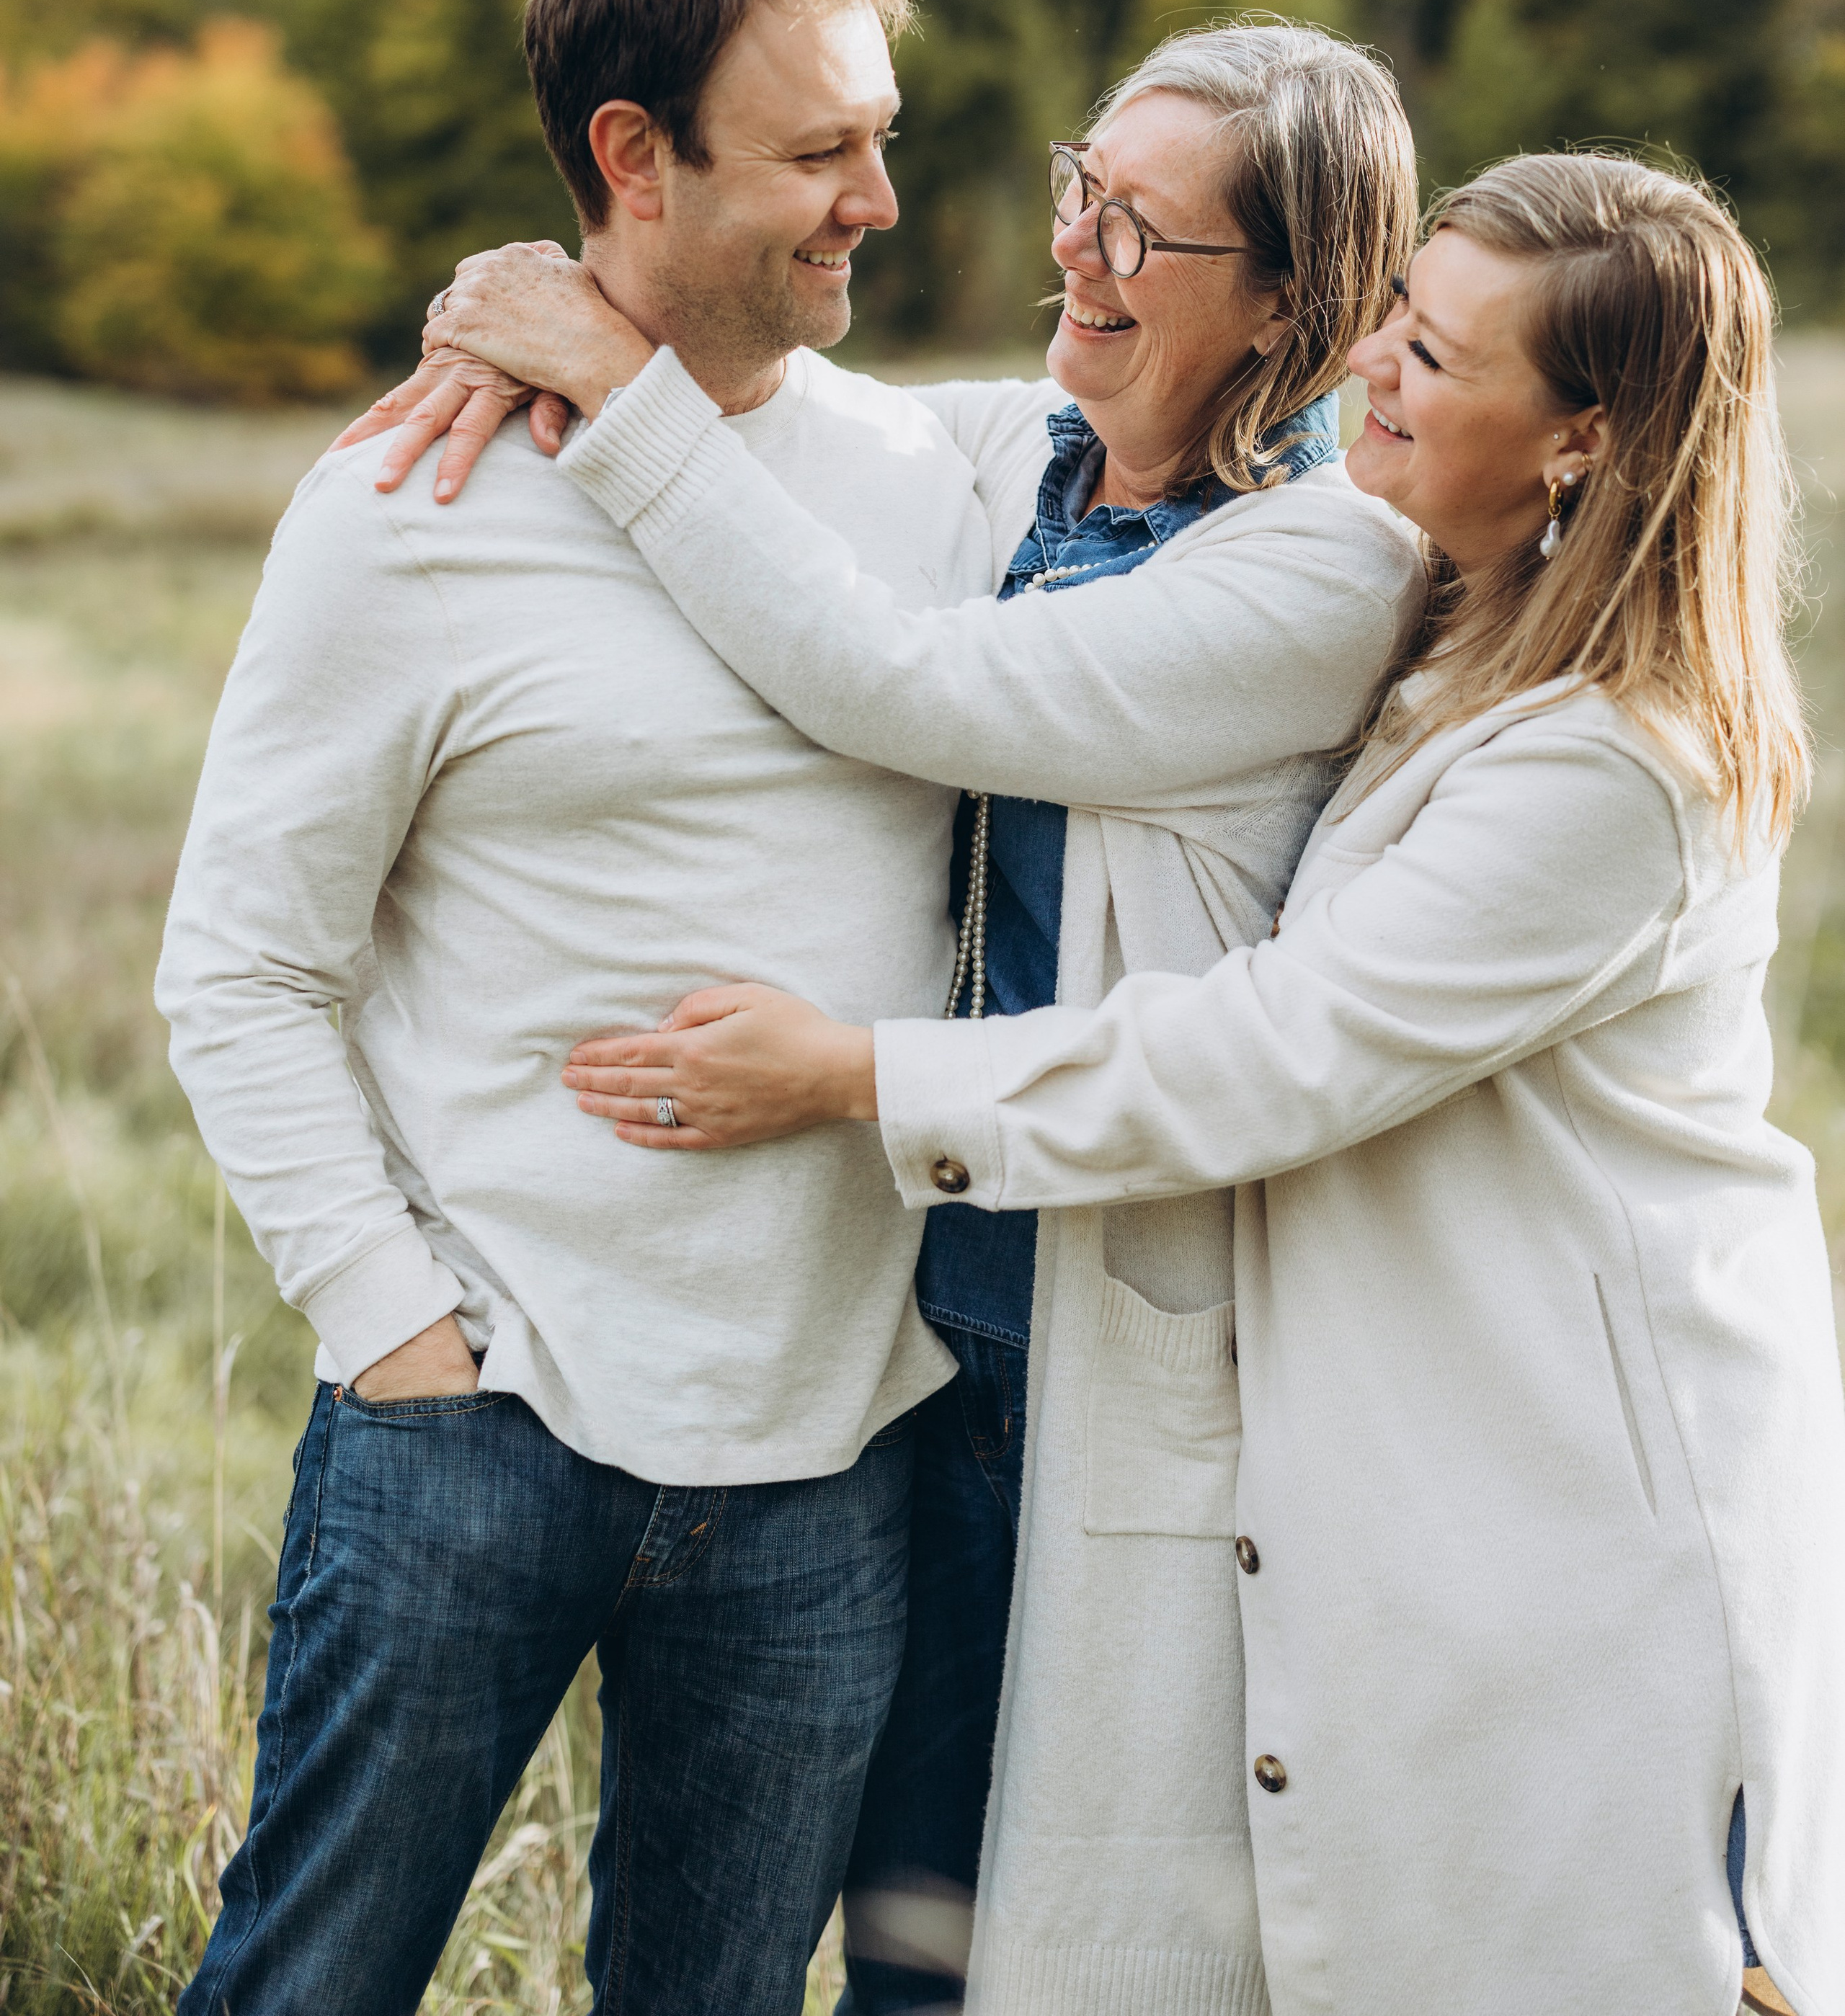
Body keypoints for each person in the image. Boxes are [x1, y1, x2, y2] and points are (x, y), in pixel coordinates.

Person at [529, 155, 1845, 2016]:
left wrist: (857, 1076)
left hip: (1586, 1507)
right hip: (1449, 1459)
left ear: (1582, 440)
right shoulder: (1457, 618)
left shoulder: (1615, 769)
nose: (1371, 372)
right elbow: (995, 433)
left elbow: (1268, 1050)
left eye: (1439, 358)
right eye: (1397, 317)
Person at [349, 21, 1424, 2008]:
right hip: (922, 1348)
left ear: (1291, 298)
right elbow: (790, 403)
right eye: (1079, 185)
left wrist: (610, 371)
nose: (1078, 250)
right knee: (894, 1913)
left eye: (1146, 234)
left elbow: (907, 686)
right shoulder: (1031, 447)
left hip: (1119, 1347)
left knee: (1034, 1949)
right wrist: (537, 304)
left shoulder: (1323, 566)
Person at [156, 0, 1016, 2016]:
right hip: (484, 1421)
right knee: (309, 1984)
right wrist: (400, 1342)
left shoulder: (939, 477)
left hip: (832, 1457)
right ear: (633, 156)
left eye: (881, 135)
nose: (878, 203)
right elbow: (241, 963)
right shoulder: (404, 505)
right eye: (822, 153)